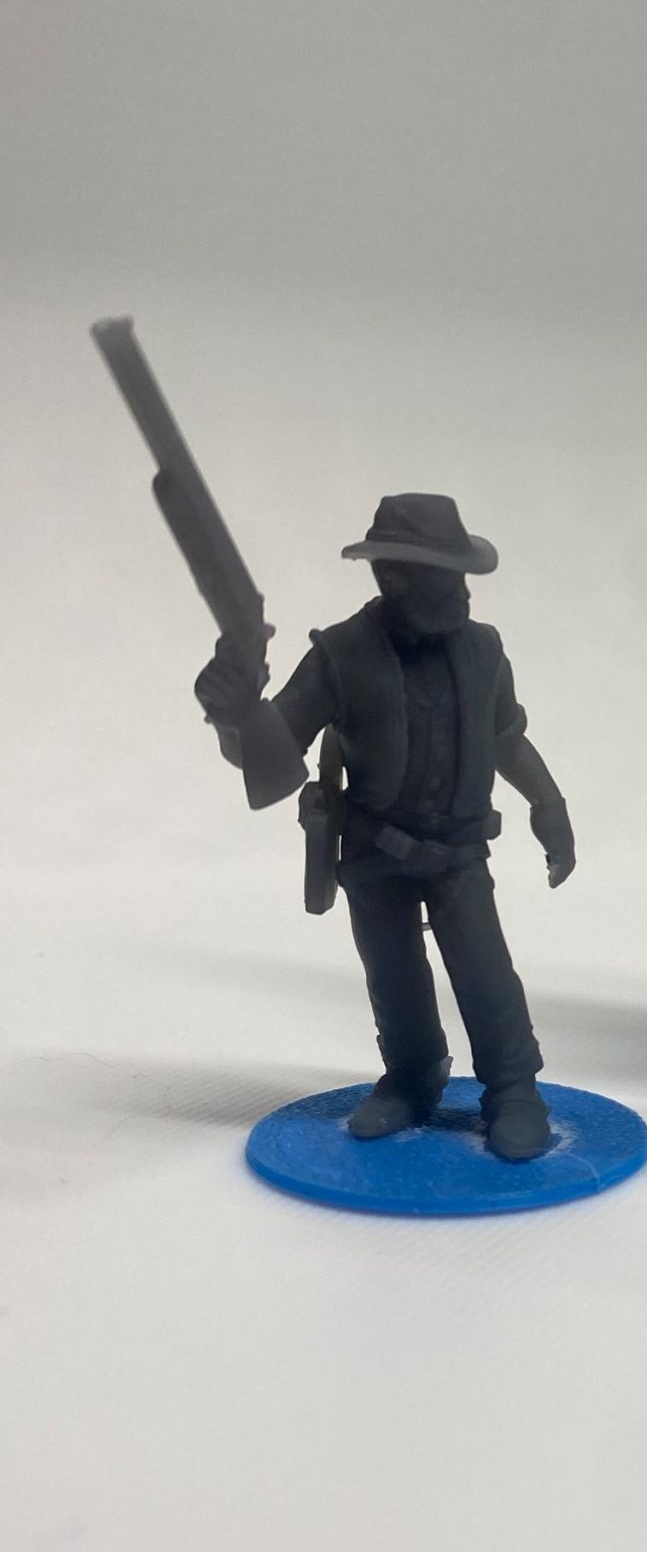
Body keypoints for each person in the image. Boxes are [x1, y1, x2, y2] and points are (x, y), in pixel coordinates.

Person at [195, 494, 574, 1161]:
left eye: (462, 577)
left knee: (485, 973)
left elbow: (507, 738)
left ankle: (514, 1087)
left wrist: (548, 803)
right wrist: (234, 714)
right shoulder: (341, 654)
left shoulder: (483, 649)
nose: (462, 593)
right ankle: (413, 1074)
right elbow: (272, 754)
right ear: (392, 577)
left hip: (459, 853)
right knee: (394, 979)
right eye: (444, 579)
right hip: (375, 855)